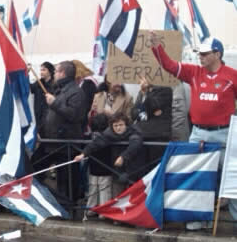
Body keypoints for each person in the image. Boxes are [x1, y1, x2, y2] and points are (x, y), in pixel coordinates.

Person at [150, 33, 237, 230]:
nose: (201, 56)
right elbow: (170, 66)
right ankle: (199, 219)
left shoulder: (232, 75)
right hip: (198, 133)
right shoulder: (194, 72)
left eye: (206, 53)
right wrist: (157, 48)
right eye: (200, 53)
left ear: (218, 54)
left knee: (232, 177)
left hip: (225, 134)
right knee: (198, 176)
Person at [74, 112, 144, 206]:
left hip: (134, 169)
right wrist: (83, 154)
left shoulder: (134, 132)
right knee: (117, 195)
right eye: (116, 126)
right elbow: (96, 143)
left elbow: (135, 144)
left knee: (134, 197)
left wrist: (123, 157)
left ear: (126, 124)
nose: (118, 128)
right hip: (117, 170)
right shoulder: (109, 133)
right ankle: (117, 217)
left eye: (121, 125)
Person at [45, 61, 86, 202]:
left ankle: (68, 206)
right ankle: (57, 202)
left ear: (62, 73)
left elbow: (74, 115)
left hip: (67, 142)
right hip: (53, 141)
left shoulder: (76, 92)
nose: (54, 74)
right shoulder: (59, 89)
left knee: (67, 178)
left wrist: (54, 103)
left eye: (56, 71)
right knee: (38, 167)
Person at [31, 62, 55, 137]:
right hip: (38, 116)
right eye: (40, 70)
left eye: (44, 70)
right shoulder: (38, 83)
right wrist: (26, 73)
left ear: (50, 71)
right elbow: (30, 88)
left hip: (49, 118)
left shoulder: (55, 84)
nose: (41, 72)